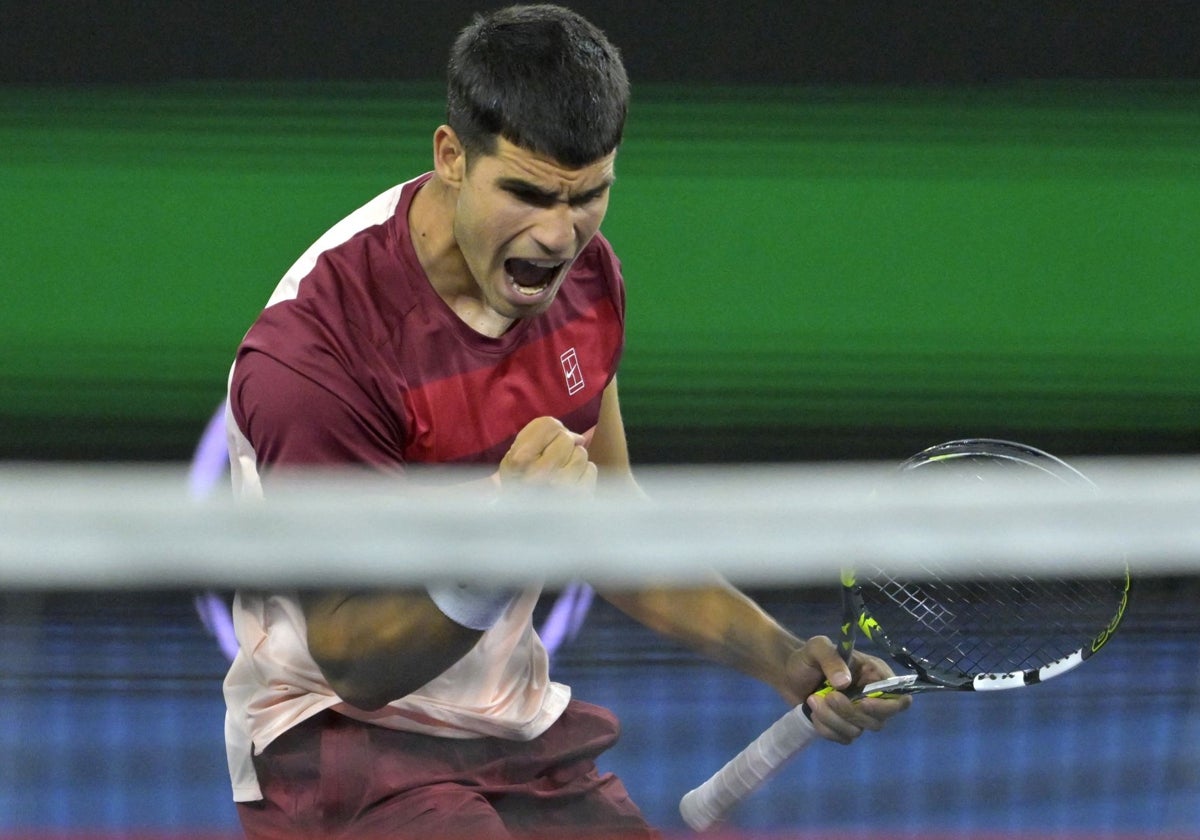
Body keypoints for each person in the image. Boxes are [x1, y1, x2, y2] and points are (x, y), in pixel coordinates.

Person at [221, 5, 910, 838]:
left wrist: (782, 660)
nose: (557, 235)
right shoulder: (318, 353)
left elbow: (608, 530)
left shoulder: (587, 286)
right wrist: (504, 536)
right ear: (450, 157)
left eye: (589, 197)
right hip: (335, 746)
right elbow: (355, 660)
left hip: (513, 734)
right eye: (526, 193)